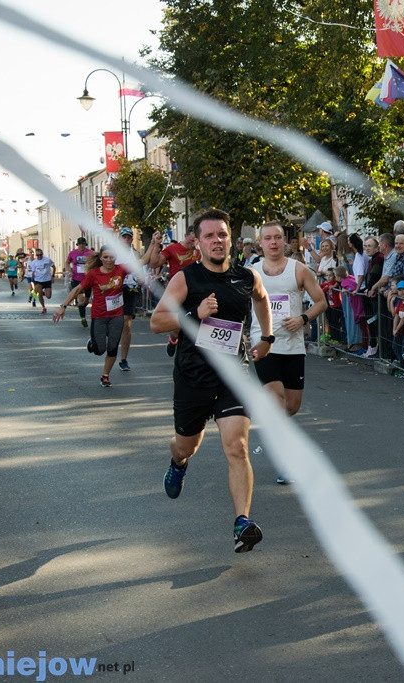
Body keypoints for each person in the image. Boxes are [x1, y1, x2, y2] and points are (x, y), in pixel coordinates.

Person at [150, 209, 274, 553]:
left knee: (237, 446)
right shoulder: (185, 279)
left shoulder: (247, 277)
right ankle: (178, 463)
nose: (216, 241)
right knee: (186, 445)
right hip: (193, 377)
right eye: (209, 236)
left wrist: (268, 337)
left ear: (230, 238)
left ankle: (241, 523)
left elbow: (262, 300)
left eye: (222, 234)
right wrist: (194, 314)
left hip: (234, 374)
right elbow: (157, 323)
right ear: (197, 242)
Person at [250, 221, 326, 484]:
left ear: (285, 241)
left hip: (292, 345)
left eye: (277, 238)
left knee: (291, 405)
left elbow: (321, 302)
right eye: (267, 238)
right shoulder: (252, 272)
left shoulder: (299, 270)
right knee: (276, 397)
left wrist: (303, 319)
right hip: (263, 344)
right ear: (260, 242)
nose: (272, 242)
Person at [53, 247, 127, 387]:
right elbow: (77, 289)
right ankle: (93, 343)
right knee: (99, 350)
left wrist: (154, 243)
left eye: (111, 257)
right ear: (100, 258)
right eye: (105, 257)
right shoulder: (94, 274)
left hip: (117, 315)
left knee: (112, 348)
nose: (109, 260)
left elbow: (143, 261)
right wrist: (63, 306)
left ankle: (105, 376)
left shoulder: (121, 270)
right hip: (99, 316)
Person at [118, 227, 163, 371]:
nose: (126, 239)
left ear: (131, 239)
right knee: (111, 323)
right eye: (123, 237)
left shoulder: (134, 253)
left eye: (128, 237)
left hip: (130, 290)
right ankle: (99, 338)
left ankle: (123, 359)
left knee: (126, 323)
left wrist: (153, 243)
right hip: (114, 291)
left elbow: (144, 260)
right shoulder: (111, 252)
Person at [154, 226, 201, 357]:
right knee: (176, 327)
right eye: (191, 241)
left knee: (197, 321)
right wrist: (155, 244)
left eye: (195, 241)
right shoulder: (172, 249)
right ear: (186, 236)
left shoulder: (201, 250)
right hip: (177, 292)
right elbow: (154, 263)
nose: (193, 244)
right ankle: (173, 339)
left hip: (197, 291)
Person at [66, 236, 94, 328]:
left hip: (87, 279)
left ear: (85, 245)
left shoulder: (90, 253)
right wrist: (69, 271)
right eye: (80, 244)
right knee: (81, 299)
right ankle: (83, 318)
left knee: (86, 300)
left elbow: (97, 262)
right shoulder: (73, 253)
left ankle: (82, 308)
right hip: (76, 279)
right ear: (77, 245)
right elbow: (67, 262)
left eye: (83, 244)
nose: (81, 246)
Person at [26, 248, 55, 314]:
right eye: (38, 255)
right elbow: (33, 272)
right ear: (36, 255)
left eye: (40, 255)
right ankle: (43, 307)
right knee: (39, 294)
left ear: (42, 254)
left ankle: (44, 292)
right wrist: (32, 279)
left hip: (47, 280)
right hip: (38, 280)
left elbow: (54, 267)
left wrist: (52, 276)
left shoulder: (47, 260)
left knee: (48, 296)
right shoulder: (34, 262)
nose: (39, 256)